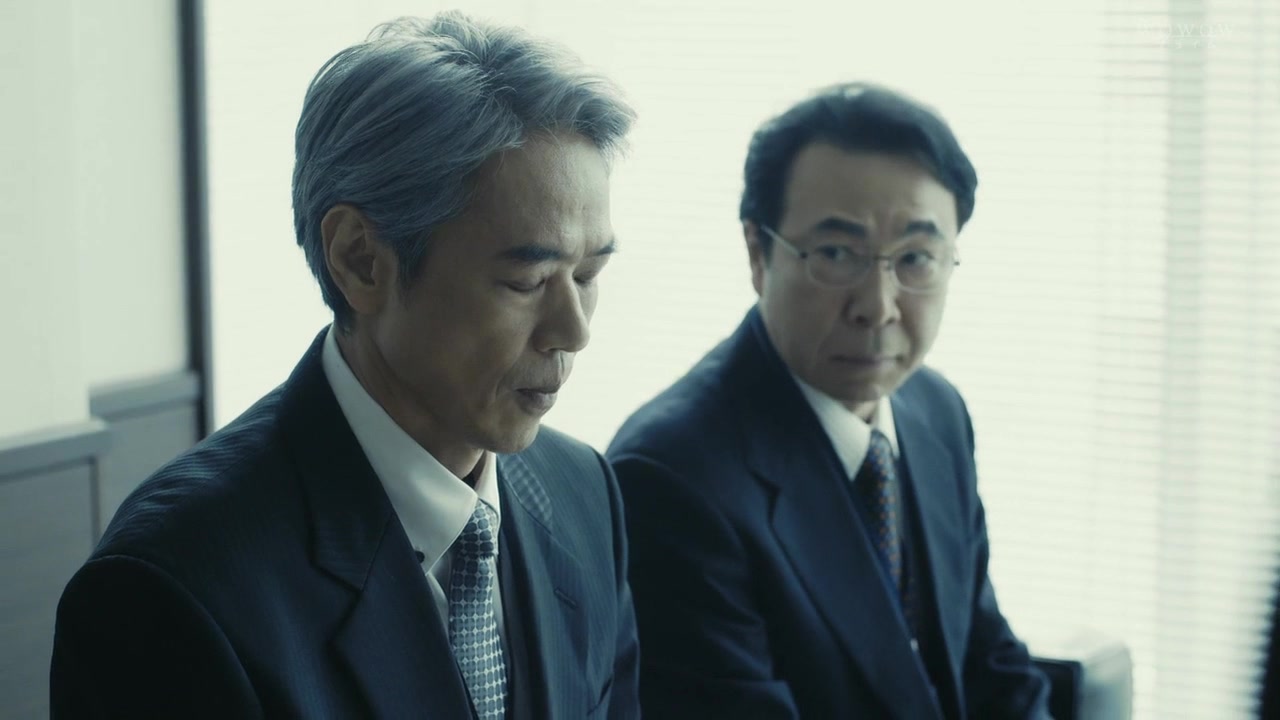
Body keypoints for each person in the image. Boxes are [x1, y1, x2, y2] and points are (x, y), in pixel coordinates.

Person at [51, 12, 638, 719]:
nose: (574, 331)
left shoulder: (583, 494)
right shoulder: (172, 586)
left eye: (589, 275)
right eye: (527, 281)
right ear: (360, 259)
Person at [607, 83, 1051, 719]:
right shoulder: (672, 477)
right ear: (758, 254)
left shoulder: (936, 412)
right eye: (838, 254)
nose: (878, 306)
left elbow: (990, 665)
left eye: (916, 258)